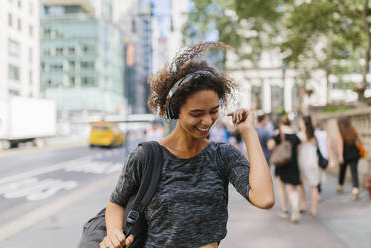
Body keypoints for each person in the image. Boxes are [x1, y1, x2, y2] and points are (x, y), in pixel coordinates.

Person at [99, 42, 275, 248]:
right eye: (196, 113)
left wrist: (248, 132)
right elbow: (116, 202)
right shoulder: (146, 157)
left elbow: (264, 199)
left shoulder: (223, 156)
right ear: (175, 111)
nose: (208, 121)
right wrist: (114, 233)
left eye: (213, 111)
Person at [271, 115, 301, 223]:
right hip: (293, 164)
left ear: (280, 123)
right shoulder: (295, 135)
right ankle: (295, 208)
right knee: (293, 189)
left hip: (281, 164)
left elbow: (270, 146)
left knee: (281, 187)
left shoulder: (278, 134)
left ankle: (284, 210)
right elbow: (298, 151)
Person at [297, 116, 320, 217]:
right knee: (313, 186)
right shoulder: (313, 134)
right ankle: (314, 209)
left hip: (302, 161)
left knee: (300, 184)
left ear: (303, 123)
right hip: (313, 161)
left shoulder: (300, 135)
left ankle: (303, 204)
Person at [336, 116, 363, 200]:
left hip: (345, 155)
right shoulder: (353, 129)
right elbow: (360, 140)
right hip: (354, 154)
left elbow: (340, 146)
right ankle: (355, 191)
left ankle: (340, 186)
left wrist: (340, 156)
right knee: (354, 173)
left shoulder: (340, 132)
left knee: (342, 172)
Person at [314, 120, 335, 199]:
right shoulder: (326, 134)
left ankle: (317, 192)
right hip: (325, 157)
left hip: (317, 157)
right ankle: (318, 191)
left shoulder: (314, 134)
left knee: (317, 175)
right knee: (319, 175)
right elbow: (329, 147)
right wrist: (331, 159)